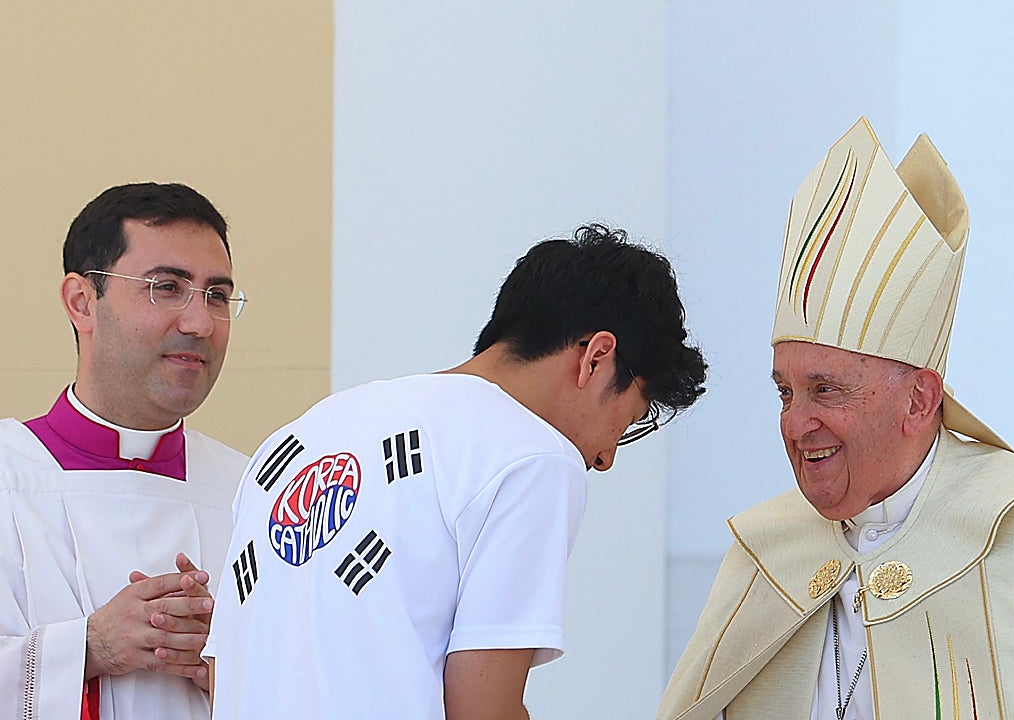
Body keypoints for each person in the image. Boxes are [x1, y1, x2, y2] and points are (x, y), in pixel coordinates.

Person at [659, 118, 1014, 719]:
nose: (795, 424)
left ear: (918, 400)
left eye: (826, 391)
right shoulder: (767, 549)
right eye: (785, 393)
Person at [205, 223, 708, 720]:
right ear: (596, 359)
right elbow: (480, 709)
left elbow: (228, 671)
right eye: (628, 419)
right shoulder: (535, 456)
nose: (605, 457)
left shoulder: (303, 433)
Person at [0, 183, 250, 719]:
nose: (200, 323)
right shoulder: (7, 475)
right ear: (82, 302)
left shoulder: (252, 492)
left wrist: (240, 668)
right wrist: (88, 648)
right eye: (166, 287)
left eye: (217, 296)